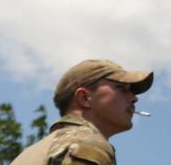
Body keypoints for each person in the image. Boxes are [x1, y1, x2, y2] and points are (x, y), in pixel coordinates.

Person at [11, 59, 153, 165]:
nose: (134, 99)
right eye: (122, 88)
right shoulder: (86, 144)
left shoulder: (31, 152)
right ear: (84, 98)